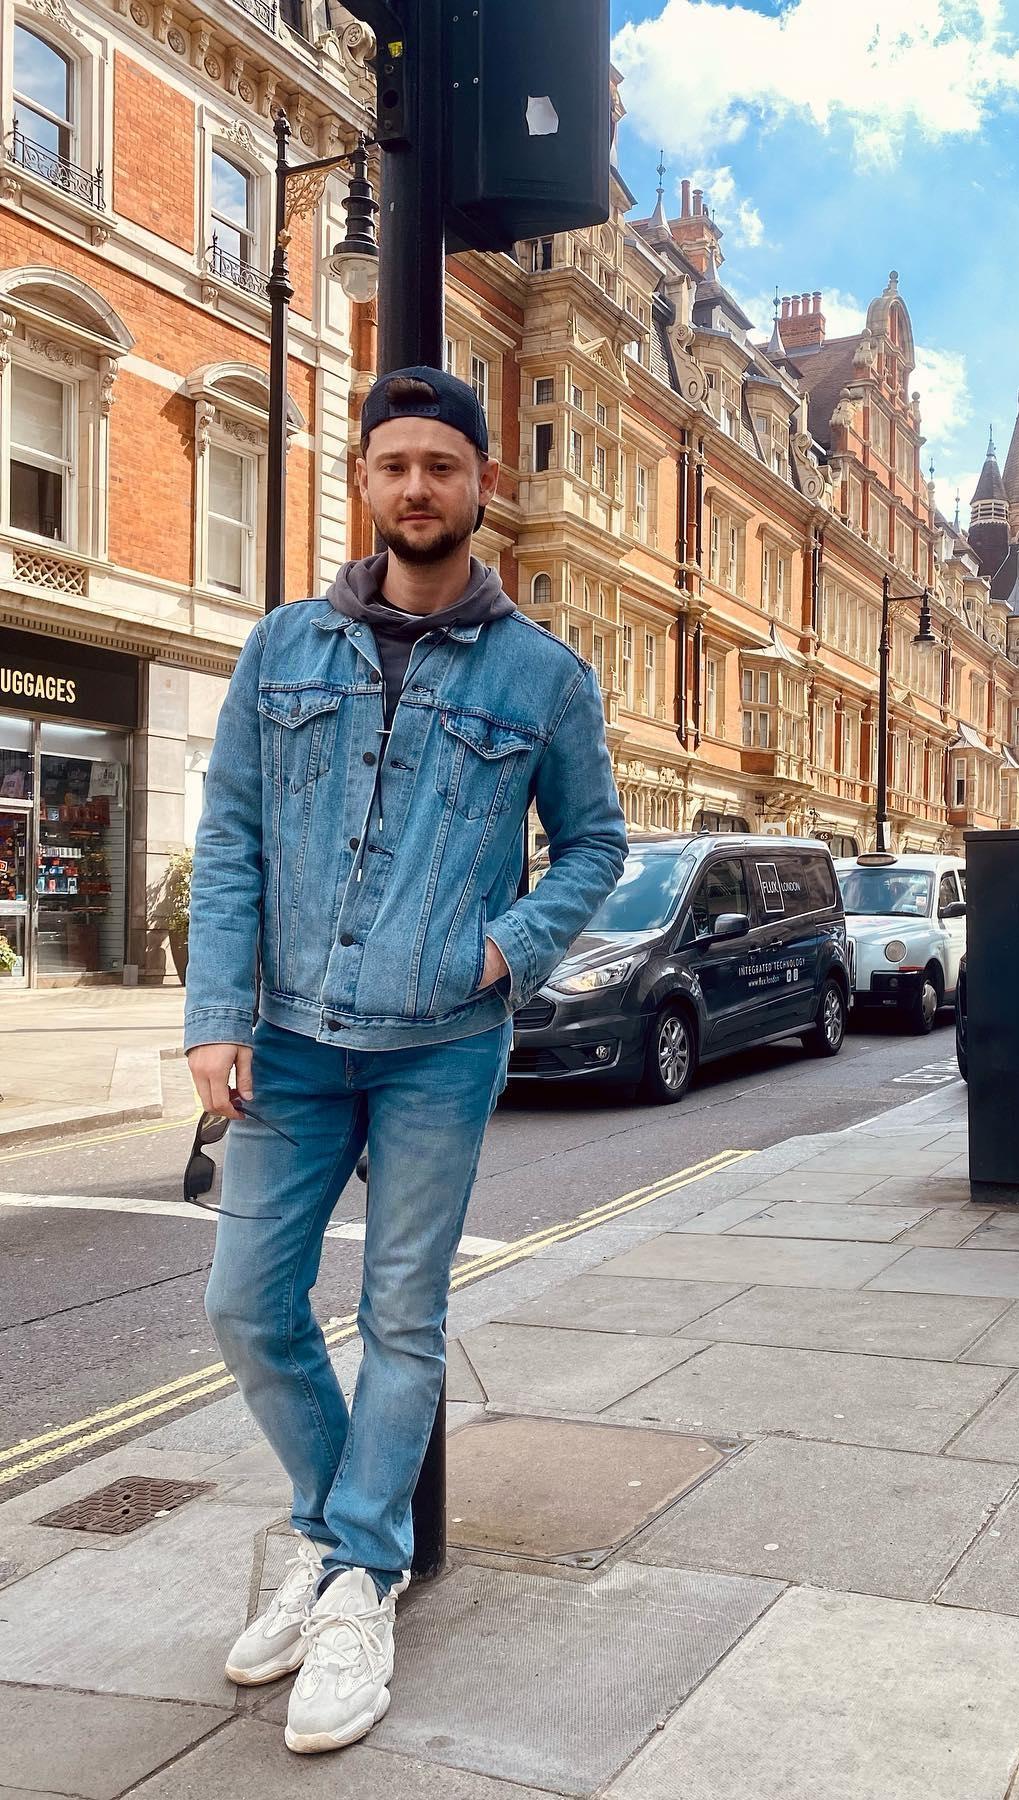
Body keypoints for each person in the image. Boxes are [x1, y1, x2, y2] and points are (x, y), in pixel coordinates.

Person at [184, 366, 626, 1754]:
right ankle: (342, 1547)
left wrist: (507, 949)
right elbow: (233, 835)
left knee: (401, 1318)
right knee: (246, 1306)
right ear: (365, 482)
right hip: (289, 1039)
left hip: (441, 1045)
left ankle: (357, 1579)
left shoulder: (544, 677)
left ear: (482, 485)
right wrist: (214, 1012)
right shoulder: (281, 648)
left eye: (442, 465)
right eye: (395, 465)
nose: (417, 487)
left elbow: (597, 846)